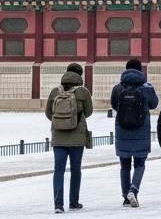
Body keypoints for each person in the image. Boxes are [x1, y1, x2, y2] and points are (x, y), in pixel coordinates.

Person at [111, 58, 159, 207]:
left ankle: (126, 197)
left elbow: (114, 105)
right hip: (141, 130)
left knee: (124, 166)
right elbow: (154, 104)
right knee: (140, 164)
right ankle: (133, 190)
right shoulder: (147, 88)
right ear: (140, 70)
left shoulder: (118, 88)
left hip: (123, 130)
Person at [46, 62, 92, 214]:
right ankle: (74, 202)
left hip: (58, 137)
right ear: (80, 75)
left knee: (58, 170)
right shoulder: (83, 92)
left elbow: (48, 113)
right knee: (75, 170)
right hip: (77, 138)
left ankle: (58, 205)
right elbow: (89, 112)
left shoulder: (55, 91)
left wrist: (60, 122)